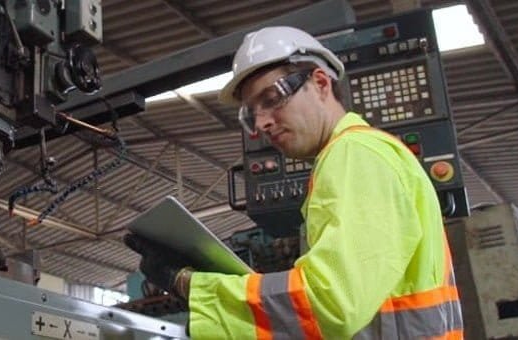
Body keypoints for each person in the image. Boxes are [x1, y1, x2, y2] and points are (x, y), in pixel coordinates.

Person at [124, 26, 463, 339]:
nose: (261, 123)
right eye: (250, 114)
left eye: (272, 99)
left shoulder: (355, 155)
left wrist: (189, 283)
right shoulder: (359, 155)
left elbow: (331, 302)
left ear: (320, 83)